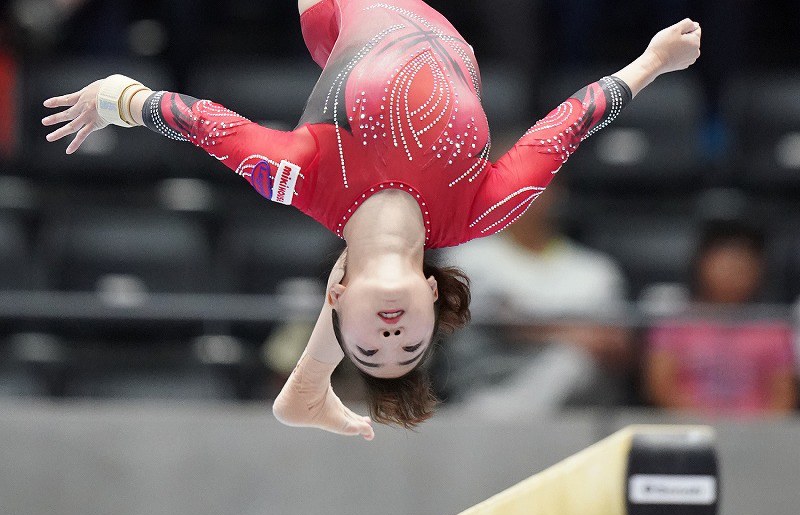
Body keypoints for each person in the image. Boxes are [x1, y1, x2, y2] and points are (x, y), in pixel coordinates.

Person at [42, 0, 702, 439]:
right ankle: (304, 388)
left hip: (337, 12)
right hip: (441, 22)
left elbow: (199, 123)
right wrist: (651, 63)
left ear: (335, 303)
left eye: (368, 348)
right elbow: (572, 122)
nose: (390, 336)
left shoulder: (298, 177)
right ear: (435, 299)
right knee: (377, 243)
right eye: (408, 345)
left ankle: (307, 385)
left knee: (368, 242)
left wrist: (115, 98)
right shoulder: (482, 208)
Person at [446, 180, 632, 414]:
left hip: (578, 412)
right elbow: (504, 323)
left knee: (573, 361)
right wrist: (577, 334)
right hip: (484, 397)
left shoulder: (597, 271)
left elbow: (615, 344)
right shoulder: (468, 256)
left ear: (558, 190)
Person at [644, 220, 797, 415]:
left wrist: (751, 432)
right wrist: (704, 421)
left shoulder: (772, 326)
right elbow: (660, 386)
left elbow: (784, 396)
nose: (733, 272)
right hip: (687, 429)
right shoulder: (677, 320)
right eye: (726, 262)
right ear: (702, 264)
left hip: (758, 435)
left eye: (743, 264)